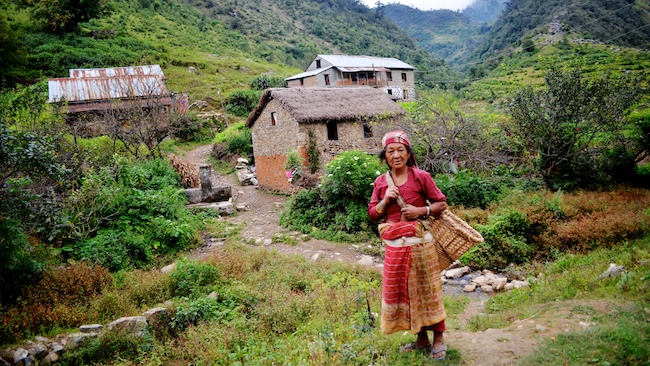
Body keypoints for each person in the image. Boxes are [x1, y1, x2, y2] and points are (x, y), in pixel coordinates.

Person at [368, 130, 449, 360]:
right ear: (385, 156)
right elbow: (374, 214)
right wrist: (386, 200)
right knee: (405, 294)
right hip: (395, 247)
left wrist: (420, 211)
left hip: (420, 245)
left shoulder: (420, 176)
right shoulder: (380, 183)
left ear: (408, 153)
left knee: (428, 291)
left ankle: (439, 339)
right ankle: (421, 339)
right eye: (390, 151)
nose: (396, 155)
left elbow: (441, 204)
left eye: (400, 150)